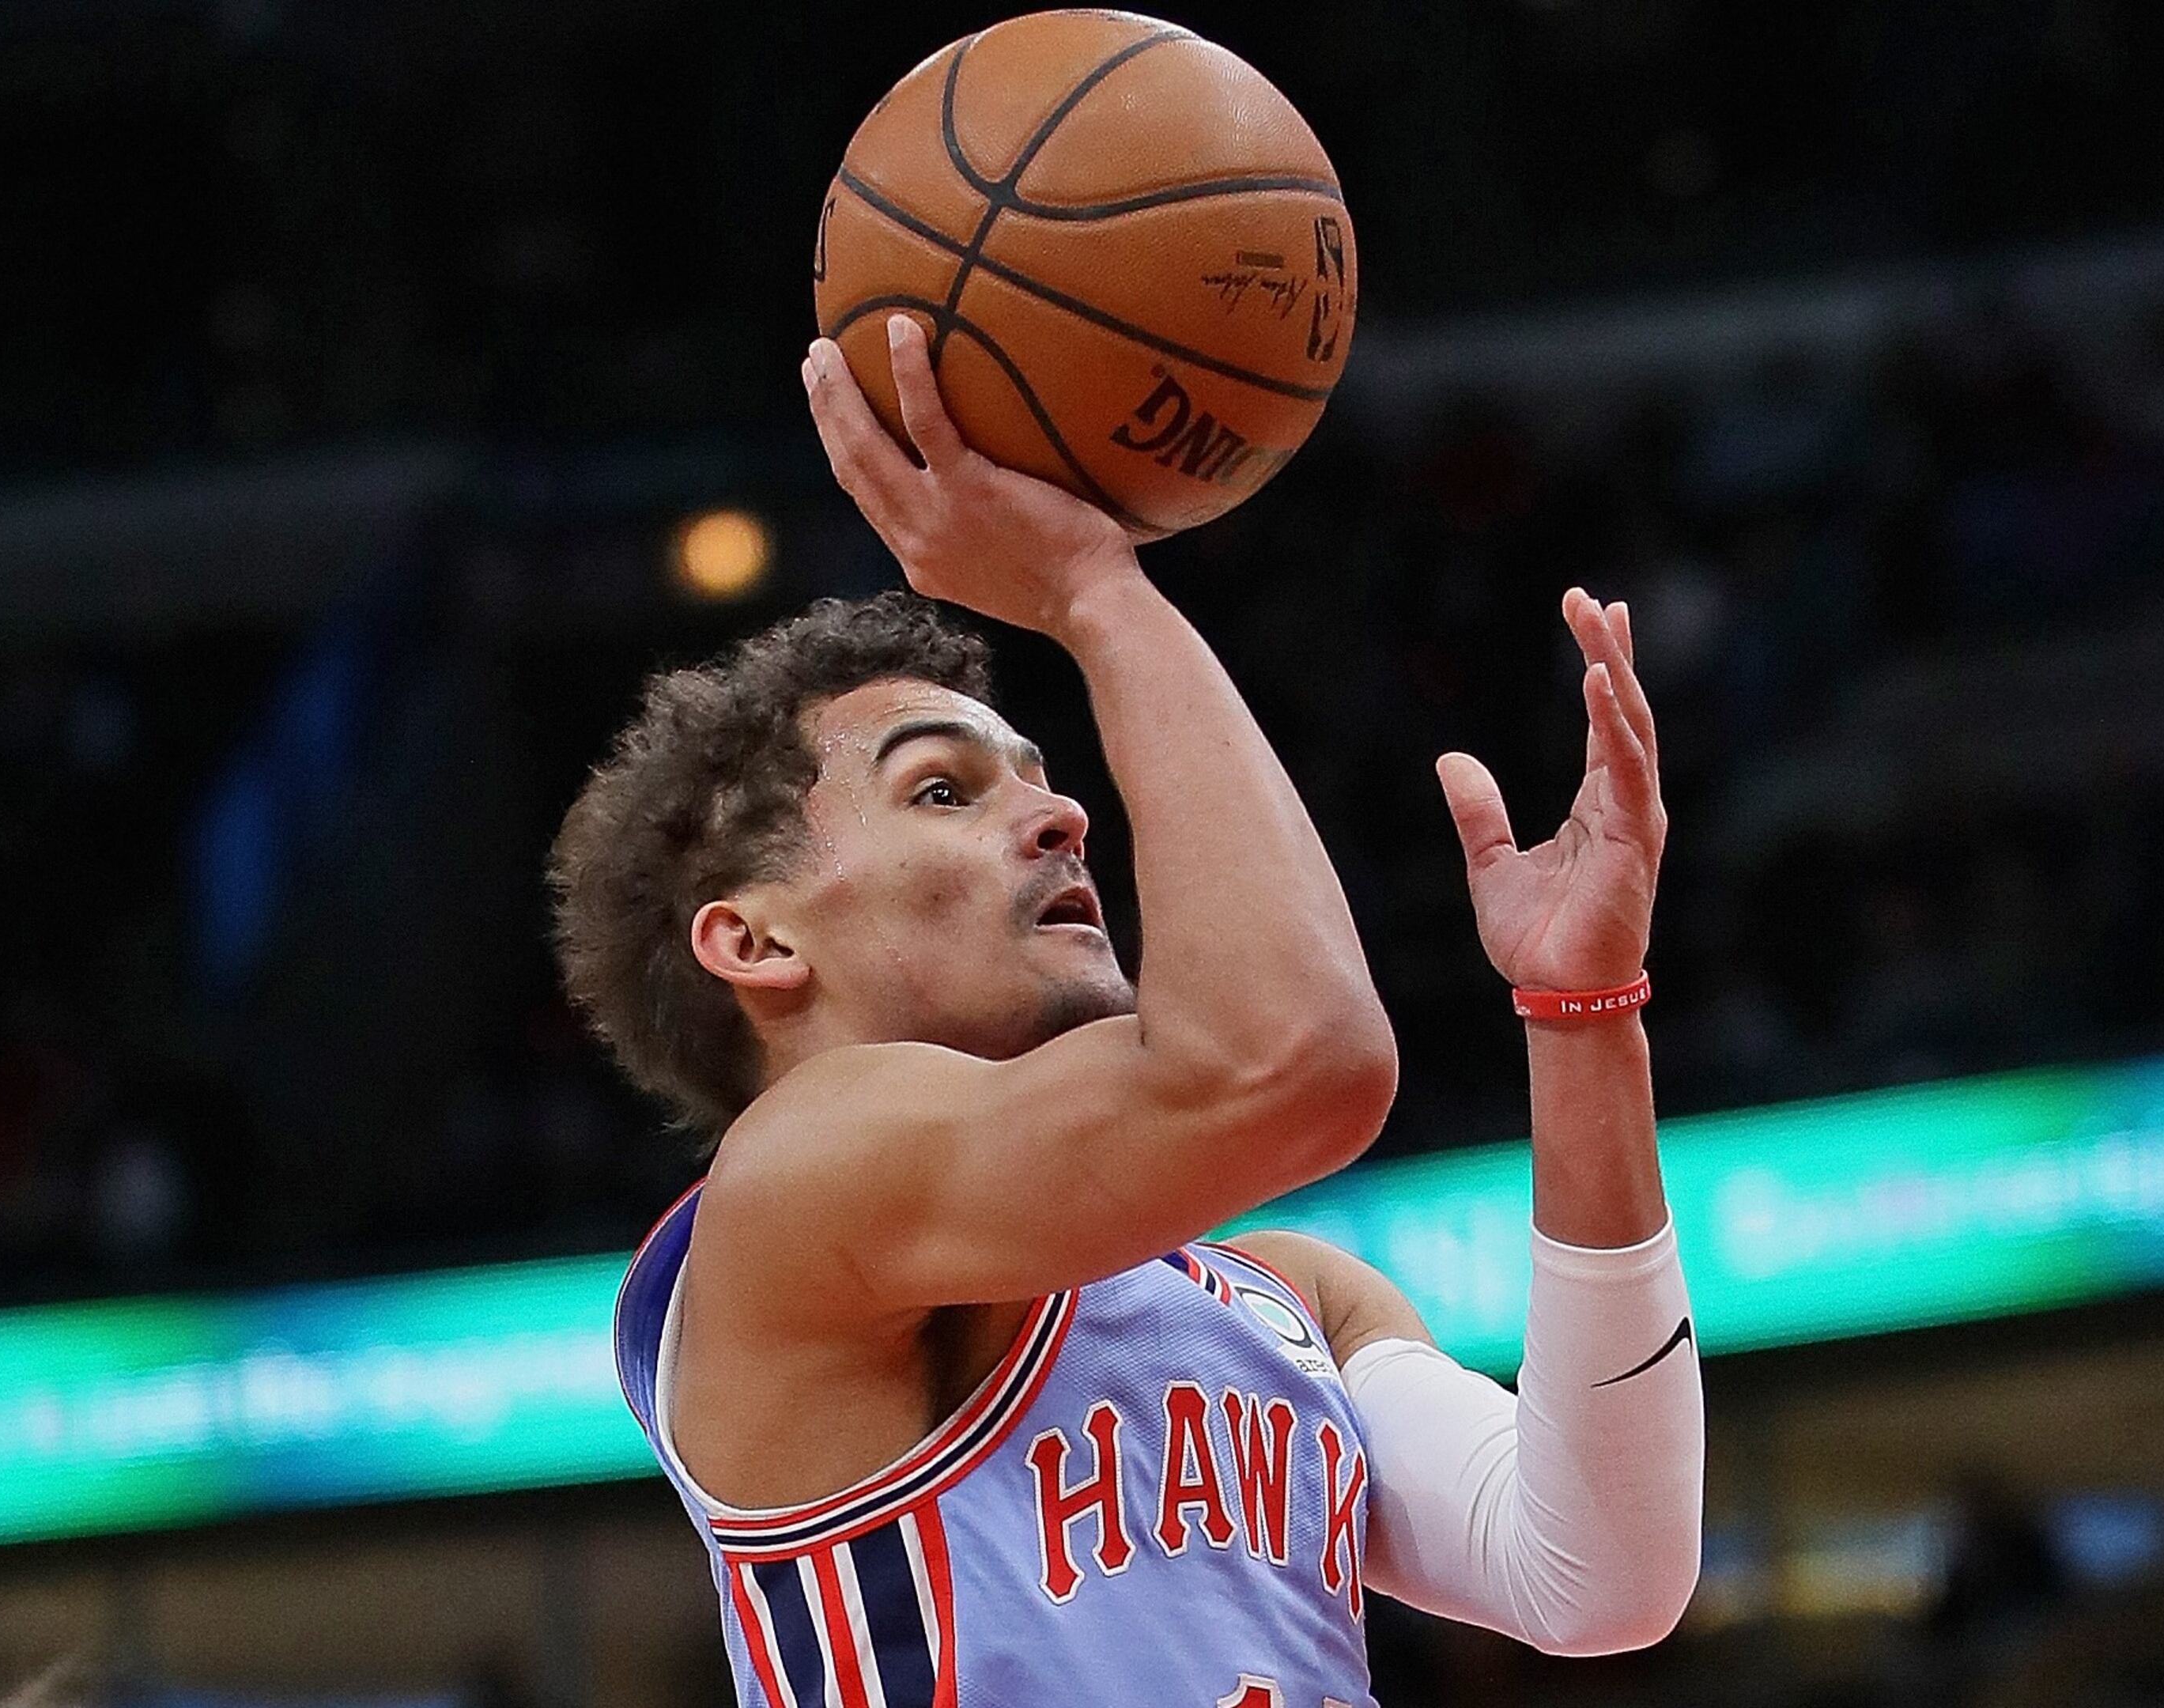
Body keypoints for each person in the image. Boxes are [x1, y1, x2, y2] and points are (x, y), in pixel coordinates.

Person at [551, 313, 1701, 1706]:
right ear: (754, 939)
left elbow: (1599, 1577)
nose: (1061, 813)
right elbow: (1293, 1064)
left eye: (1039, 772)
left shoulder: (1284, 1298)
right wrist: (1097, 589)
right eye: (941, 790)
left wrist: (1586, 1014)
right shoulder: (799, 1193)